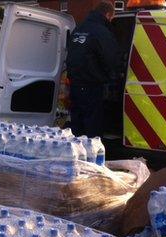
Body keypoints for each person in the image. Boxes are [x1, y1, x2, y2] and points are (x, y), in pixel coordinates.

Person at [66, 1, 120, 138]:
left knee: (77, 125)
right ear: (108, 15)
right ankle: (91, 156)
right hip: (92, 87)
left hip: (75, 86)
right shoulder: (102, 32)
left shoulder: (78, 29)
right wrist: (112, 76)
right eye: (112, 18)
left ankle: (76, 155)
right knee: (92, 128)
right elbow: (112, 59)